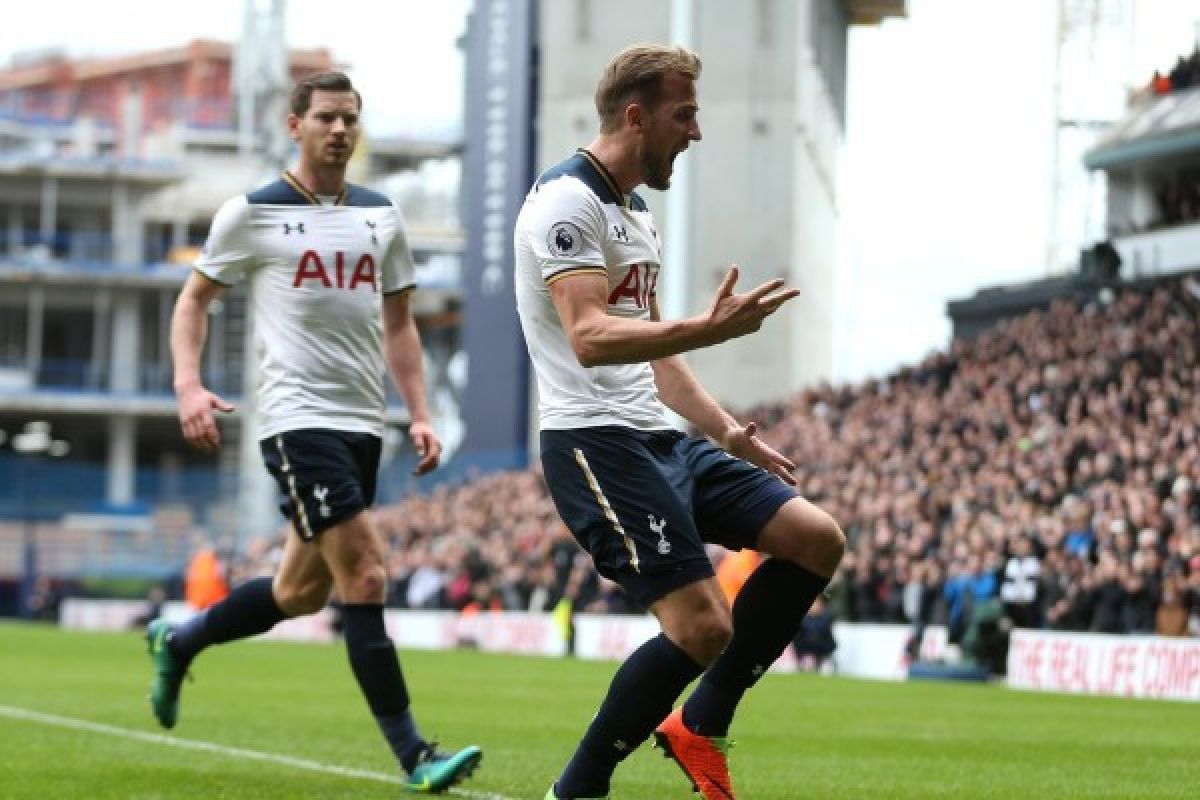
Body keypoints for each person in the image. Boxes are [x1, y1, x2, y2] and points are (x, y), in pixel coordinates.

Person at [514, 44, 845, 800]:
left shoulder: (634, 213)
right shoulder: (568, 202)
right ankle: (578, 787)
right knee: (702, 625)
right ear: (638, 115)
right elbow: (592, 338)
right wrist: (709, 327)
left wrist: (727, 431)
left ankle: (701, 722)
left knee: (815, 539)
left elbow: (656, 354)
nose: (696, 132)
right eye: (684, 114)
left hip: (664, 440)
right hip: (595, 445)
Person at [144, 71, 481, 793]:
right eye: (327, 117)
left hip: (364, 424)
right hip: (296, 420)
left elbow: (399, 324)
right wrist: (188, 385)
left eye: (350, 118)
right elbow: (193, 302)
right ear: (295, 125)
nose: (340, 130)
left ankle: (181, 640)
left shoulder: (380, 216)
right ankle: (416, 755)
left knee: (300, 592)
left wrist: (420, 411)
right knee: (365, 571)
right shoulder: (253, 213)